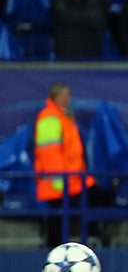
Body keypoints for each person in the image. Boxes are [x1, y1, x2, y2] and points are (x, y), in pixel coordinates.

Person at [34, 83, 96, 247]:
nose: (67, 98)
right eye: (63, 95)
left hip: (73, 178)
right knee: (57, 221)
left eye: (69, 94)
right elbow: (49, 151)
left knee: (65, 220)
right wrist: (59, 178)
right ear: (55, 97)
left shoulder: (64, 116)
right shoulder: (50, 118)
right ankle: (54, 254)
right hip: (61, 181)